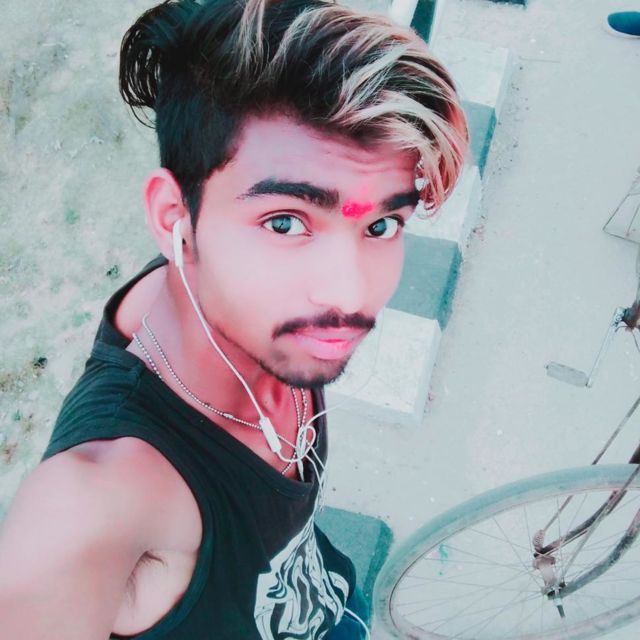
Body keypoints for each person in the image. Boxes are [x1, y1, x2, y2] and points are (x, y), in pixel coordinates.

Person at [0, 0, 467, 638]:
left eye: (381, 225)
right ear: (175, 220)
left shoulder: (253, 302)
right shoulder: (95, 505)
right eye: (286, 222)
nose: (348, 290)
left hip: (328, 600)